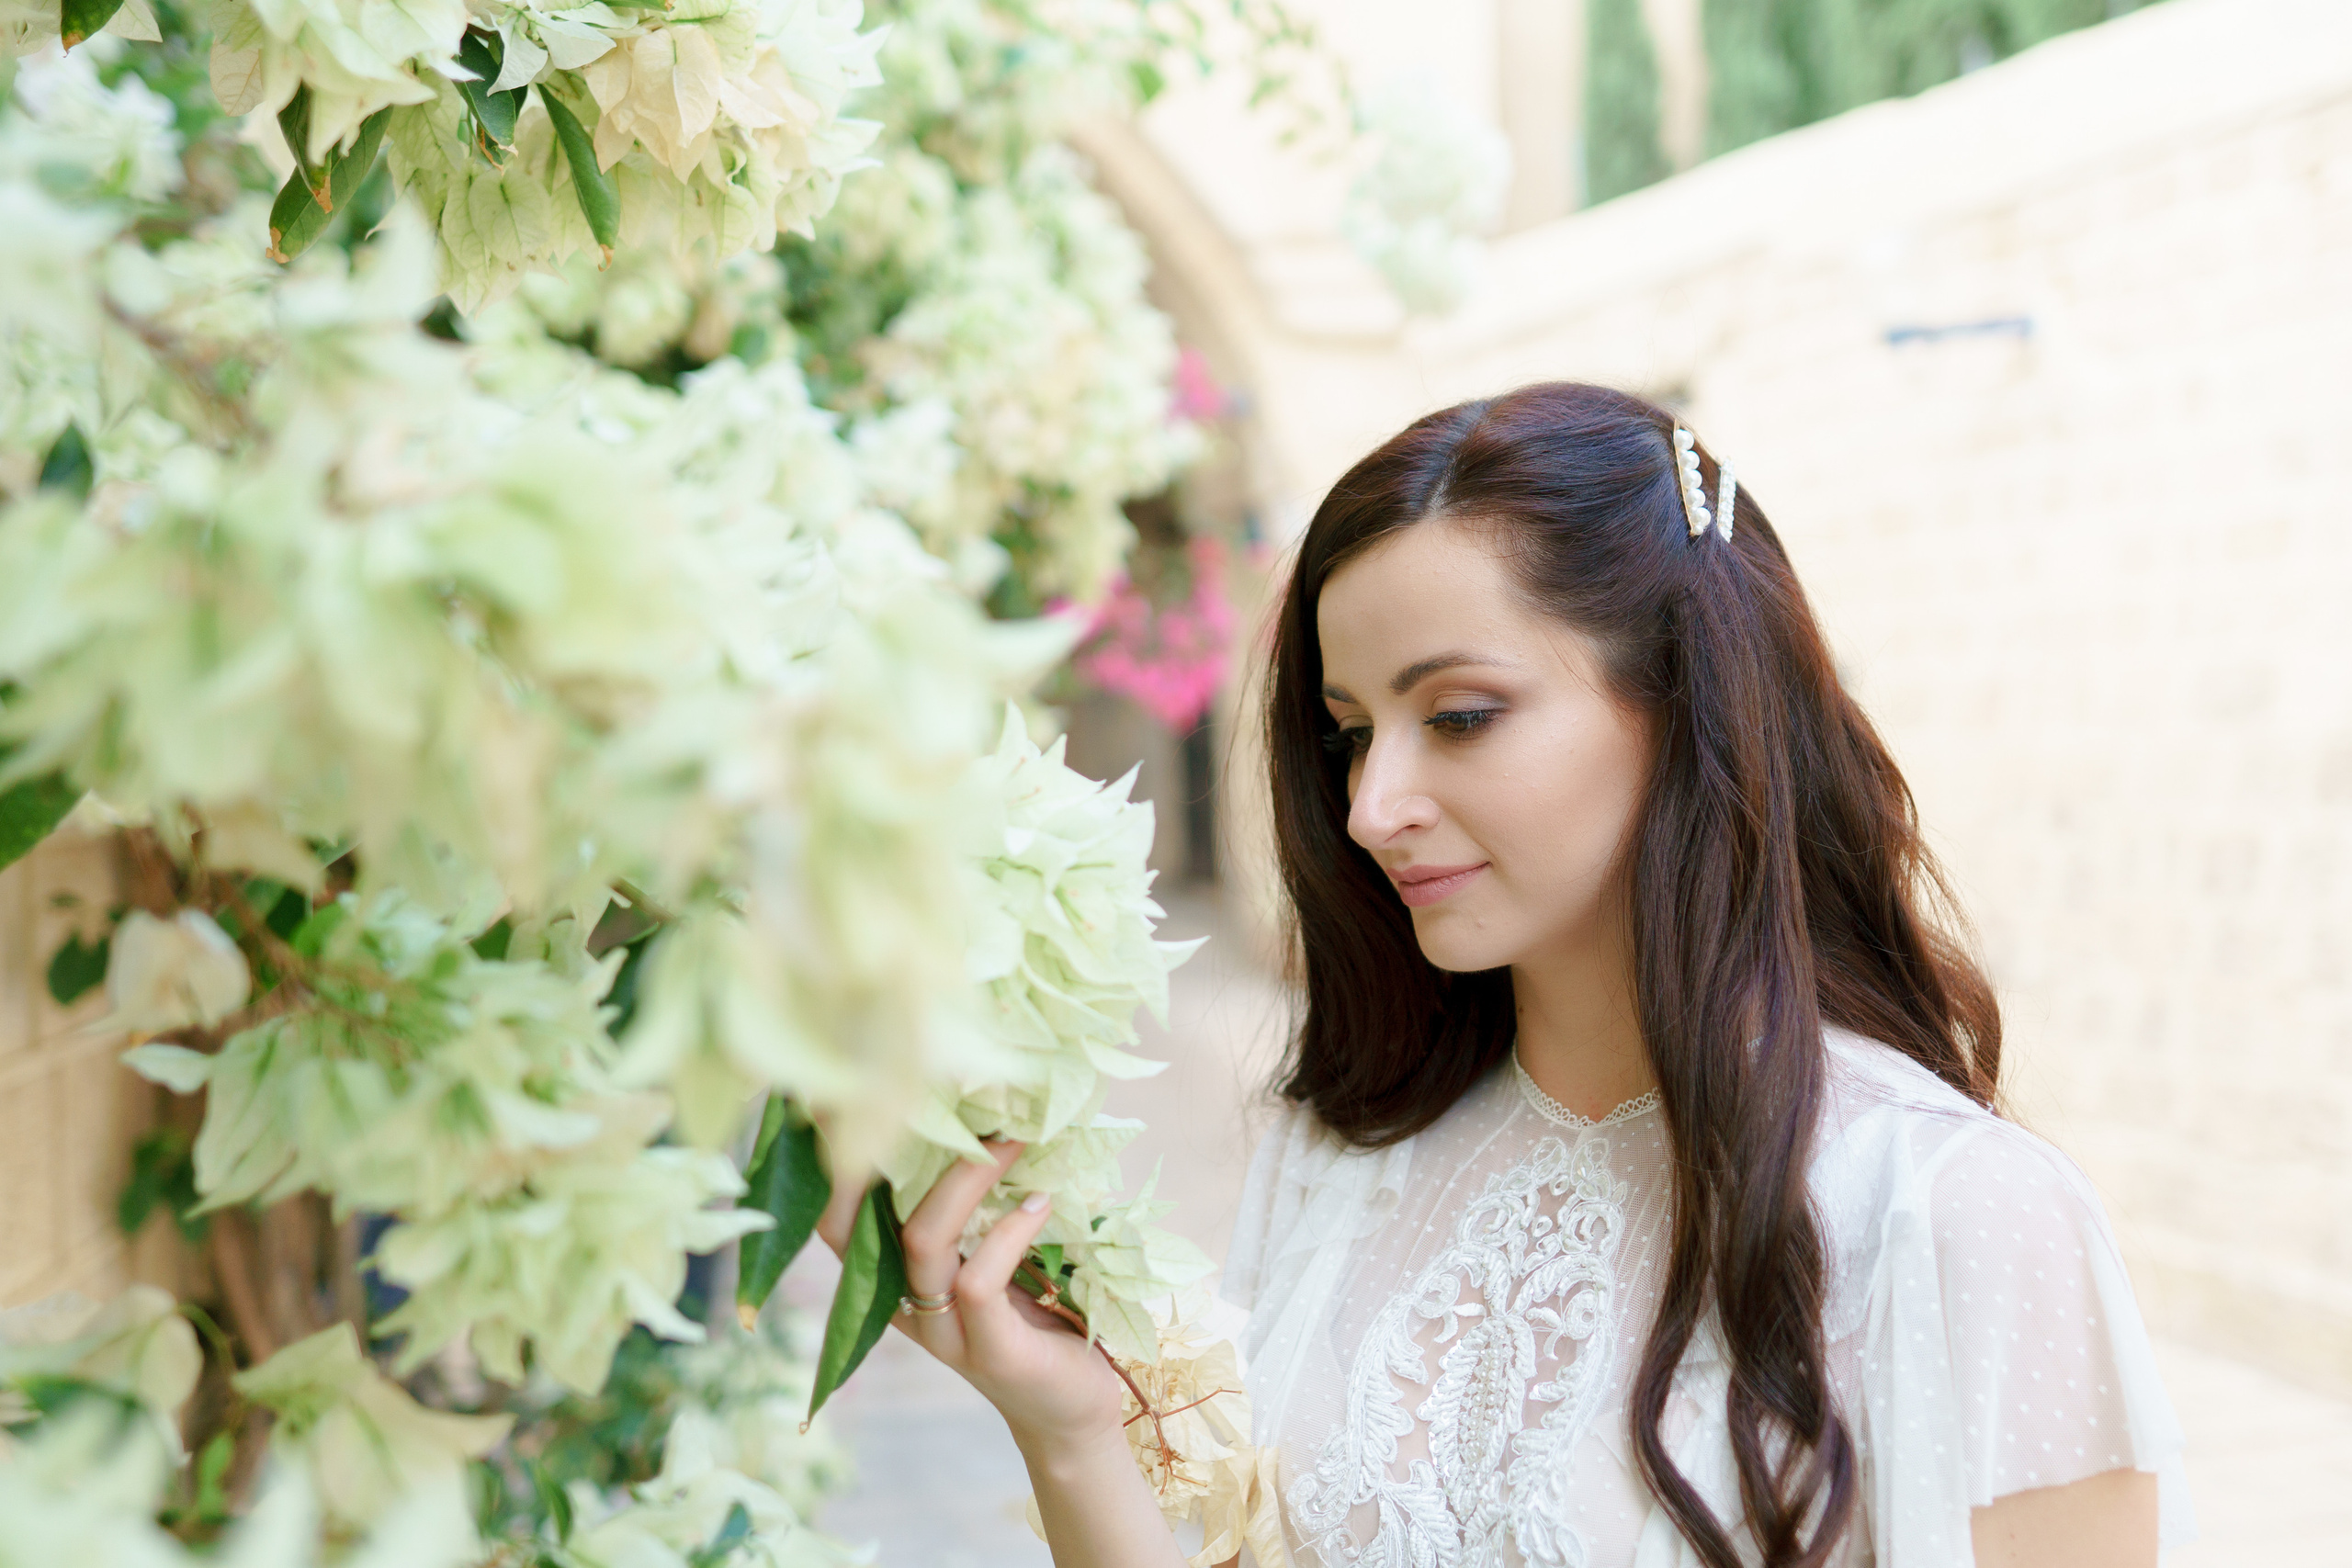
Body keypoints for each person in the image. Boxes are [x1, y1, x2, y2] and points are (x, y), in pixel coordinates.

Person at [825, 383, 2190, 1567]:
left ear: (1687, 700)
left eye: (1461, 717)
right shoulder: (1347, 1160)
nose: (1372, 806)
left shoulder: (1952, 1213)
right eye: (1351, 732)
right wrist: (1066, 1432)